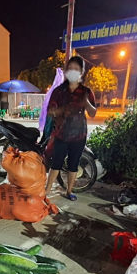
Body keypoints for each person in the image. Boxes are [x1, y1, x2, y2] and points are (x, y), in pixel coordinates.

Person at [44, 56, 97, 200]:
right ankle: (46, 192)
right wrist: (62, 110)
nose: (73, 71)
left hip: (79, 134)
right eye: (70, 68)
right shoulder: (59, 91)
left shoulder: (86, 91)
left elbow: (93, 113)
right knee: (56, 163)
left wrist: (86, 102)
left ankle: (69, 191)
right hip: (61, 133)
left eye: (76, 69)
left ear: (82, 71)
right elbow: (50, 110)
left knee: (73, 164)